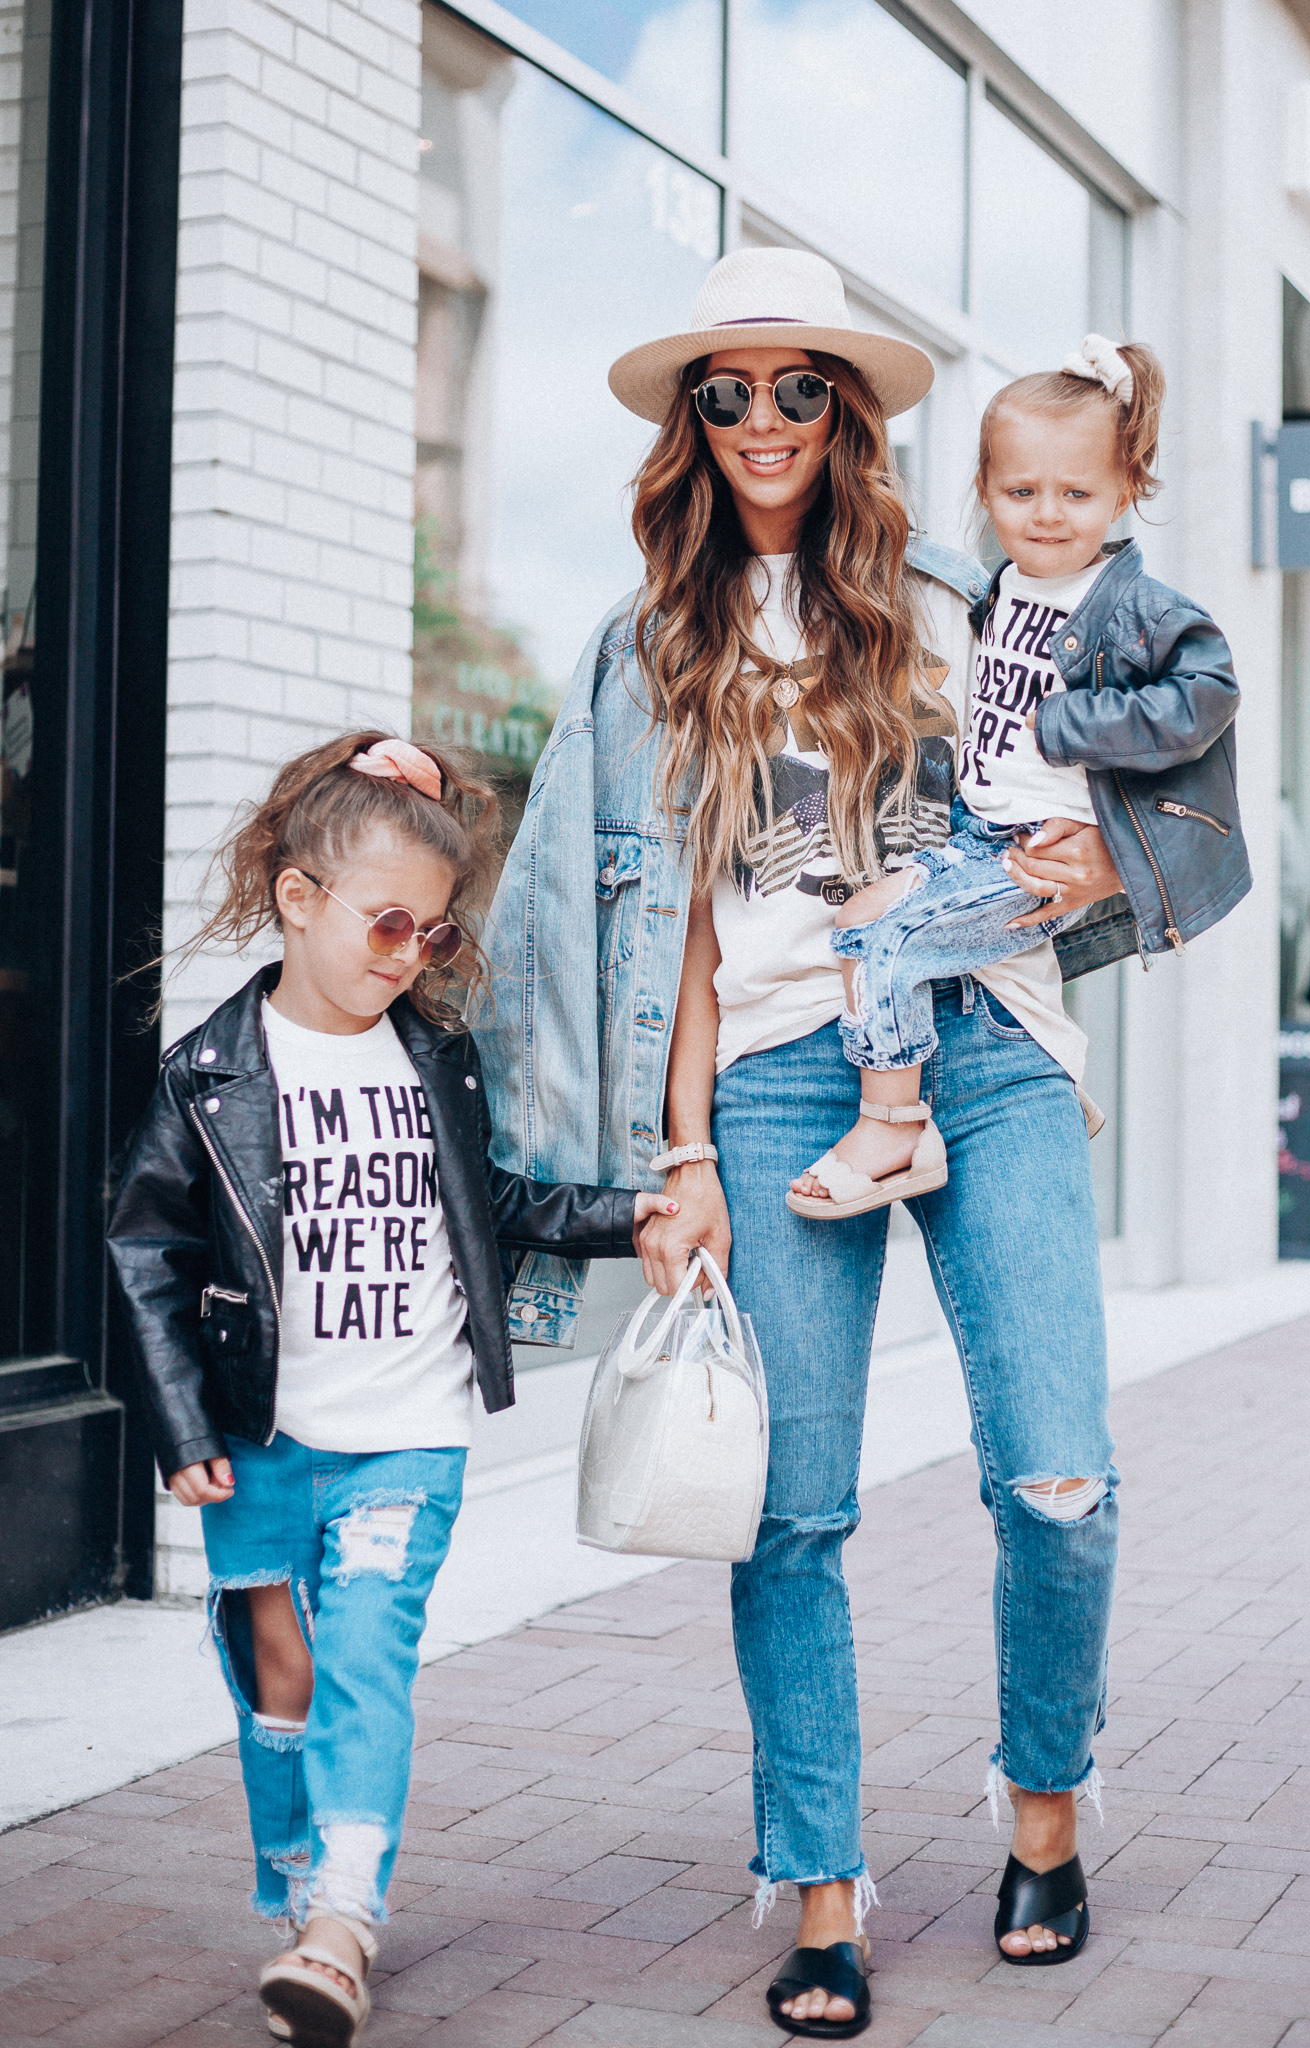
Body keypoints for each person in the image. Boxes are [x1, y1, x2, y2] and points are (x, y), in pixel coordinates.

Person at [479, 247, 1129, 2037]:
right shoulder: (650, 650)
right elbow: (662, 928)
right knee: (790, 1511)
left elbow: (1091, 783)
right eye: (723, 391)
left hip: (981, 1047)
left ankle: (1044, 1812)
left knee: (1055, 1479)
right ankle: (820, 1886)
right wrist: (672, 1155)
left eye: (792, 388)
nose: (759, 420)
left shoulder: (957, 599)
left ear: (842, 411)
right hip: (767, 1074)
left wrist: (1092, 865)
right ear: (689, 423)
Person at [107, 734, 674, 2048]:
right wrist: (181, 1423)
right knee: (277, 1675)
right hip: (256, 1437)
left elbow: (499, 1204)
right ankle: (304, 1878)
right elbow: (146, 1249)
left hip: (407, 1437)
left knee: (365, 1659)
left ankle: (345, 1918)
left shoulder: (436, 1060)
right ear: (299, 899)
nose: (407, 954)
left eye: (430, 934)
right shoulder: (209, 1074)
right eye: (385, 923)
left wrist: (632, 1210)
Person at [788, 333, 1250, 1217]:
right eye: (1021, 491)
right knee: (856, 920)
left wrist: (1075, 724)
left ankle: (894, 1128)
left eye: (1077, 493)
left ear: (1126, 491)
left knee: (890, 946)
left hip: (1030, 853)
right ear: (985, 493)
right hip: (974, 832)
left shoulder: (1134, 607)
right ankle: (1014, 1084)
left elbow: (1210, 693)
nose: (1047, 513)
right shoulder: (998, 591)